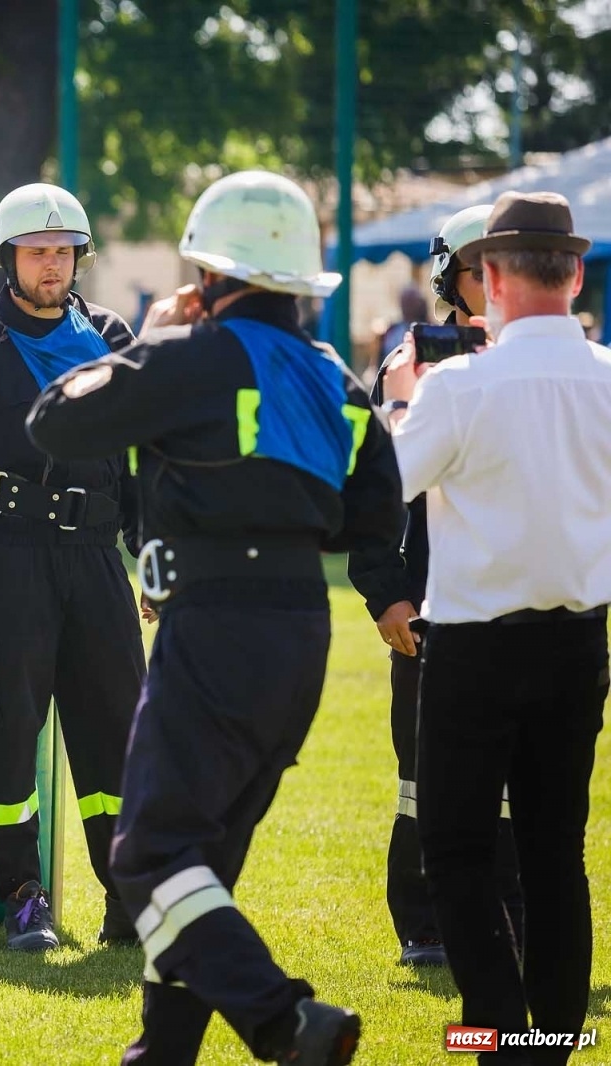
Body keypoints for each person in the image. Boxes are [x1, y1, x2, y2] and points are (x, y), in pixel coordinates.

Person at [28, 170, 404, 1065]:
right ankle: (161, 1054)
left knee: (150, 855)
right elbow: (372, 516)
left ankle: (286, 1022)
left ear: (204, 271)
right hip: (302, 632)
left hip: (214, 625)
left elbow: (53, 421)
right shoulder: (335, 379)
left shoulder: (191, 355)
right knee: (200, 862)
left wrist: (147, 348)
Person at [381, 191, 611, 1066]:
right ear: (576, 273)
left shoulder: (461, 386)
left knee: (459, 848)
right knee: (557, 853)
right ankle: (544, 1046)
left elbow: (385, 490)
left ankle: (498, 1034)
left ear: (498, 276)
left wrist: (404, 397)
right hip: (578, 640)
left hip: (475, 646)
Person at [0, 182, 145, 952]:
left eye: (63, 251)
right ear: (5, 258)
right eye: (36, 251)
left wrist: (150, 558)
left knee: (118, 737)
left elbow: (139, 462)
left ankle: (129, 901)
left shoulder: (113, 336)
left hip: (96, 563)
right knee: (7, 735)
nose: (51, 264)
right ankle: (23, 897)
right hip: (4, 562)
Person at [347, 203, 523, 969]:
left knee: (518, 776)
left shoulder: (554, 356)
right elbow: (376, 491)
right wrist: (388, 592)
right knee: (424, 775)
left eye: (506, 262)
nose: (494, 278)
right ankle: (423, 922)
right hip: (431, 603)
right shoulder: (410, 361)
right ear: (450, 274)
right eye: (479, 264)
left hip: (522, 604)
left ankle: (511, 917)